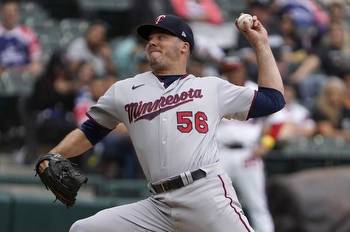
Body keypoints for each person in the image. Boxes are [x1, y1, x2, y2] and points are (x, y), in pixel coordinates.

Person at [38, 14, 285, 232]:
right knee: (85, 229)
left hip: (205, 194)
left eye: (162, 36)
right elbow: (90, 132)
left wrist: (260, 43)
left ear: (184, 47)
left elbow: (273, 99)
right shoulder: (124, 90)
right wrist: (53, 155)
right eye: (150, 38)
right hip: (158, 204)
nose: (152, 41)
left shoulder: (210, 87)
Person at [216, 57, 275, 232]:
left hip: (248, 154)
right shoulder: (218, 90)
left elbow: (277, 121)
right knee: (217, 205)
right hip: (221, 153)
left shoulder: (255, 91)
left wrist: (265, 144)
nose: (232, 73)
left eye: (235, 69)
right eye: (228, 70)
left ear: (243, 70)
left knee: (257, 205)